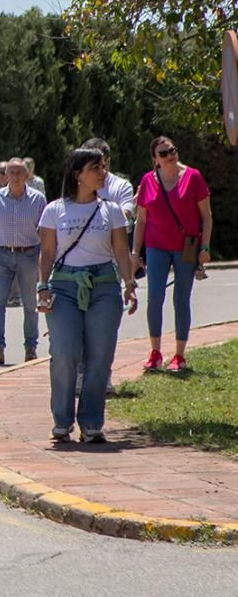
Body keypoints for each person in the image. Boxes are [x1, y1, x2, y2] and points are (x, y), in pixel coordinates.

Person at [38, 147, 137, 442]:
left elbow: (121, 250)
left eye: (103, 167)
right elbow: (47, 252)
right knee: (64, 352)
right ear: (78, 174)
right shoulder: (54, 210)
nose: (103, 173)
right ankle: (62, 419)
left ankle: (92, 423)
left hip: (104, 286)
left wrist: (129, 283)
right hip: (64, 286)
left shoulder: (112, 210)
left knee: (99, 356)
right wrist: (42, 286)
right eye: (96, 168)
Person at [133, 136, 214, 373]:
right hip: (156, 246)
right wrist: (135, 252)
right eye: (164, 153)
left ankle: (179, 355)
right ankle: (155, 352)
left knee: (181, 298)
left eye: (172, 150)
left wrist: (205, 248)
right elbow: (141, 220)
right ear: (155, 159)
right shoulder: (148, 180)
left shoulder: (193, 177)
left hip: (186, 247)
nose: (170, 156)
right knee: (155, 297)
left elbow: (206, 216)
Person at [0, 158, 47, 365]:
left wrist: (46, 260)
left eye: (19, 173)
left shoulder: (38, 199)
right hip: (1, 255)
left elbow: (45, 232)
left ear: (27, 175)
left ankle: (30, 348)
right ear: (5, 175)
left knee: (30, 304)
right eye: (11, 173)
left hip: (28, 254)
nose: (15, 177)